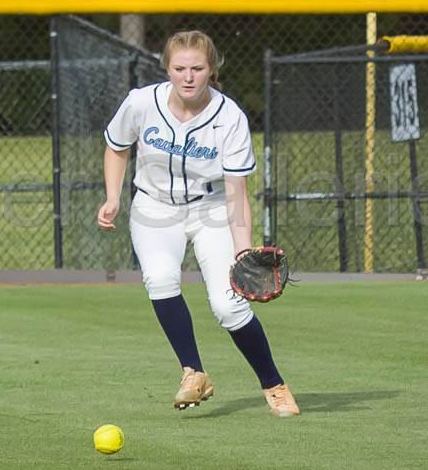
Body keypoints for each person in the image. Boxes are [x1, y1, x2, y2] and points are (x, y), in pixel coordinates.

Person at [96, 30, 300, 418]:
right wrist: (112, 196)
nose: (188, 76)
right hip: (154, 207)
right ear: (167, 68)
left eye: (197, 68)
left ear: (211, 69)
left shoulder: (229, 117)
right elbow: (116, 146)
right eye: (179, 68)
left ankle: (273, 384)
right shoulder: (142, 103)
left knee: (228, 305)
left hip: (212, 209)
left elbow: (237, 189)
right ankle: (193, 372)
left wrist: (243, 248)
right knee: (159, 278)